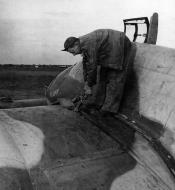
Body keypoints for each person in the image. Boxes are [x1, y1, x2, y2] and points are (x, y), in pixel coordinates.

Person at [62, 29, 131, 114]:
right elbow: (86, 65)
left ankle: (109, 109)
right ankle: (96, 103)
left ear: (76, 44)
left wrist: (88, 85)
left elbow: (92, 66)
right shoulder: (83, 44)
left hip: (121, 43)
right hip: (109, 48)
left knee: (115, 78)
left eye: (73, 51)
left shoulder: (89, 44)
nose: (73, 54)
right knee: (102, 76)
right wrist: (87, 82)